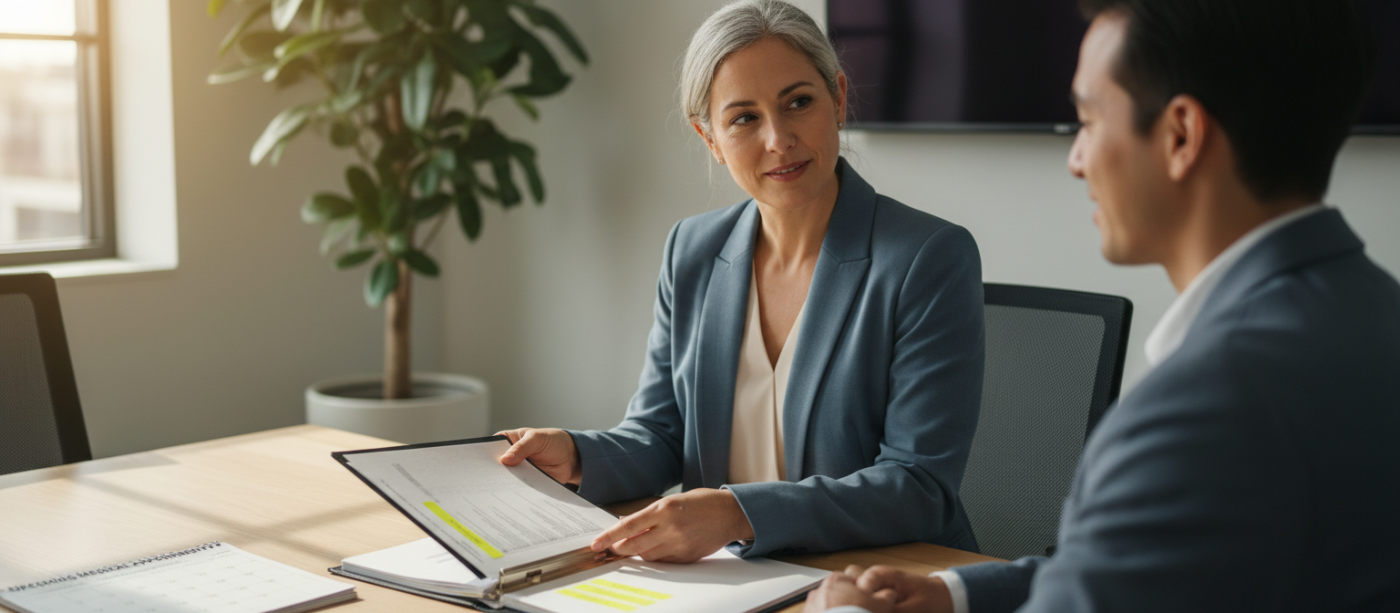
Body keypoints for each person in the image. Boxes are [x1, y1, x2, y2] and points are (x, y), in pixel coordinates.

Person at [807, 0, 1400, 611]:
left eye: (1089, 121)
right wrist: (953, 593)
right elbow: (1149, 566)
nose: (1076, 160)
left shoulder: (1201, 409)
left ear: (1180, 136)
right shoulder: (1374, 314)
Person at [496, 0, 985, 563]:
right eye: (744, 118)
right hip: (732, 582)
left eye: (798, 102)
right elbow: (660, 435)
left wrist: (738, 513)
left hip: (881, 576)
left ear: (840, 99)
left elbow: (918, 486)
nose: (778, 139)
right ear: (710, 139)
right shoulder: (693, 250)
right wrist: (576, 455)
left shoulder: (928, 257)